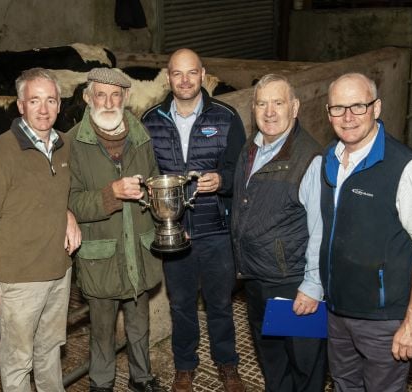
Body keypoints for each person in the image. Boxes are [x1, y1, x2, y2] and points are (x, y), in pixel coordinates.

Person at [321, 72, 412, 391]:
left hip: (383, 320)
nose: (347, 117)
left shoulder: (407, 170)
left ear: (376, 108)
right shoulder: (328, 160)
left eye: (358, 106)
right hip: (336, 310)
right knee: (343, 384)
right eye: (338, 108)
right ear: (328, 112)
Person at [0, 67, 81, 392]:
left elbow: (56, 192)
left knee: (49, 352)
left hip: (59, 272)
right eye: (34, 101)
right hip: (18, 282)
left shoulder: (62, 145)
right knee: (19, 362)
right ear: (20, 105)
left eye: (50, 100)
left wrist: (68, 212)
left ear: (60, 105)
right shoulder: (0, 155)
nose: (43, 109)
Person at [141, 48, 246, 392]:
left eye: (191, 73)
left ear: (203, 75)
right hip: (174, 231)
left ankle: (227, 365)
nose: (184, 80)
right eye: (177, 73)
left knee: (220, 303)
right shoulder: (150, 120)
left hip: (216, 228)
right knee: (181, 304)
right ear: (167, 77)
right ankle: (185, 367)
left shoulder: (227, 116)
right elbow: (146, 173)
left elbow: (240, 170)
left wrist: (223, 181)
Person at [68, 68, 166, 392]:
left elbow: (154, 180)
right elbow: (71, 202)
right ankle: (101, 383)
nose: (108, 102)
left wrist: (157, 202)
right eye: (100, 94)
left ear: (125, 98)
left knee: (139, 323)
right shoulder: (72, 143)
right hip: (101, 254)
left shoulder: (142, 137)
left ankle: (142, 378)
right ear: (87, 97)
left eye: (115, 95)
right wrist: (112, 194)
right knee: (102, 327)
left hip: (138, 248)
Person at [231, 74, 327, 391]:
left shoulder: (309, 158)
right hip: (258, 279)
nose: (269, 112)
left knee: (305, 364)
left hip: (291, 283)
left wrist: (312, 286)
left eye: (278, 102)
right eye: (261, 103)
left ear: (295, 107)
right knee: (273, 360)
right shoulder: (252, 146)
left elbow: (321, 228)